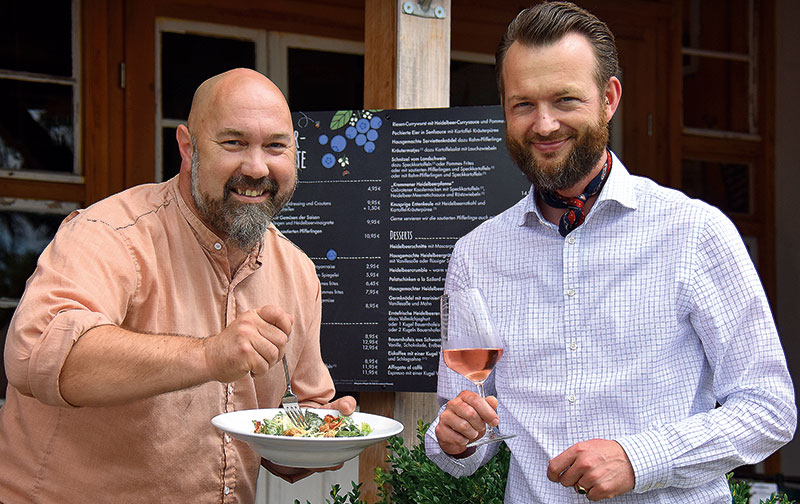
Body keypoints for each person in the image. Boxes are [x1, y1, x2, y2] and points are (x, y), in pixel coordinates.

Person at [425, 2, 796, 502]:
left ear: (609, 98)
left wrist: (641, 458)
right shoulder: (475, 255)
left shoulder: (696, 233)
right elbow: (469, 418)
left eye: (565, 100)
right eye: (523, 105)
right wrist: (456, 440)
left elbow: (770, 409)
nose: (544, 124)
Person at [0, 68, 355, 503]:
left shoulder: (297, 272)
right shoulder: (112, 234)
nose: (257, 166)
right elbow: (35, 353)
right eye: (234, 143)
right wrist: (208, 355)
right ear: (188, 148)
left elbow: (292, 431)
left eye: (276, 146)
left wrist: (322, 436)